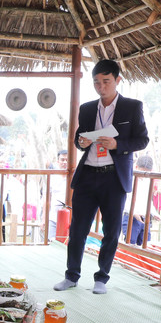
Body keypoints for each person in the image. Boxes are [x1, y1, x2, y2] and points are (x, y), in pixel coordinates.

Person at [54, 59, 149, 294]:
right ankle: (71, 275)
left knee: (112, 230)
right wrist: (82, 141)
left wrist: (118, 144)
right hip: (87, 175)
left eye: (106, 81)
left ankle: (101, 277)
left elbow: (142, 140)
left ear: (117, 80)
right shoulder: (87, 108)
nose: (101, 87)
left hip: (114, 178)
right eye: (96, 82)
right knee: (78, 229)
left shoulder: (132, 106)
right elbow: (78, 139)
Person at [121, 155, 156, 246]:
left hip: (144, 217)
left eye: (147, 172)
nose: (144, 175)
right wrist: (134, 213)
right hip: (131, 216)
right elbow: (126, 199)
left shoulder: (148, 182)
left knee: (144, 243)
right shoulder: (130, 180)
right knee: (130, 242)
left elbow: (148, 201)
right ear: (136, 167)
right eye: (142, 171)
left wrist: (155, 213)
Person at [47, 150, 69, 239]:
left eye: (67, 160)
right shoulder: (52, 177)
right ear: (58, 161)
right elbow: (47, 198)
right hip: (53, 217)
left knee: (66, 244)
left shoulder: (75, 178)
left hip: (69, 218)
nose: (65, 162)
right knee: (51, 243)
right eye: (62, 160)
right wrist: (44, 219)